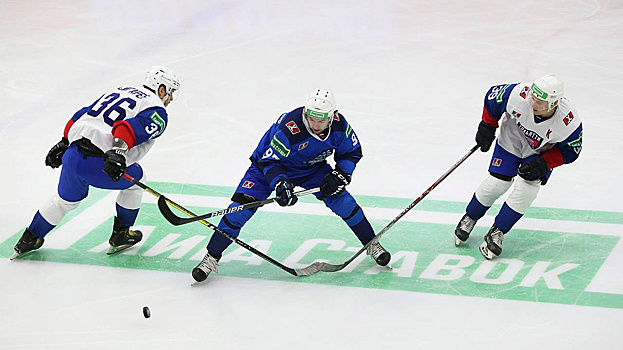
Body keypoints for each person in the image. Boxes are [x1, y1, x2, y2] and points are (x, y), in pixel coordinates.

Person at [192, 88, 391, 282]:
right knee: (238, 211)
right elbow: (270, 162)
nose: (314, 124)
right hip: (269, 167)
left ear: (332, 116)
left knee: (344, 202)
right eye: (311, 118)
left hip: (311, 168)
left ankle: (371, 244)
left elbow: (351, 152)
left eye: (320, 120)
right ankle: (211, 256)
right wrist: (280, 183)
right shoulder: (290, 128)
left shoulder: (339, 126)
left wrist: (342, 174)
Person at [11, 66, 180, 259]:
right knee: (136, 181)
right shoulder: (157, 109)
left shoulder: (120, 90)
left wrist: (64, 141)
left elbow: (82, 114)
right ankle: (121, 234)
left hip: (73, 157)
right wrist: (117, 152)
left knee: (63, 201)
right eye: (170, 91)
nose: (171, 98)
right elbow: (126, 128)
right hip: (100, 164)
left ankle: (29, 238)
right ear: (161, 89)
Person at [454, 75, 583, 259]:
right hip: (512, 138)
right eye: (533, 98)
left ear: (554, 104)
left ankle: (498, 231)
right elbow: (493, 97)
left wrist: (545, 163)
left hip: (540, 152)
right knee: (497, 183)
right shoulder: (520, 95)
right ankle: (470, 217)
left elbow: (572, 150)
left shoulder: (568, 122)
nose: (533, 104)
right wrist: (487, 125)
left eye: (539, 102)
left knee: (527, 189)